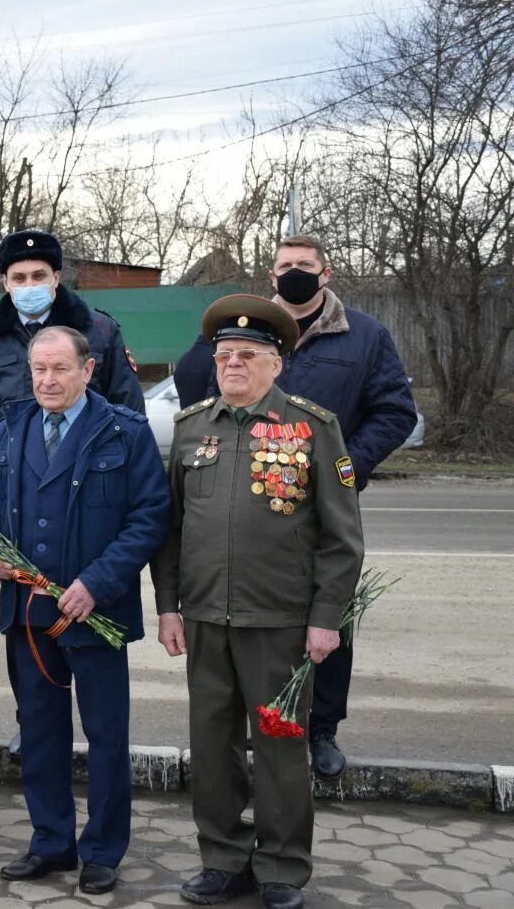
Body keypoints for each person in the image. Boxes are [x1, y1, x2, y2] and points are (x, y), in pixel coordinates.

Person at [171, 236, 415, 778]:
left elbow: (396, 410)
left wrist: (344, 467)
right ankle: (264, 724)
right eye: (286, 267)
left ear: (326, 274)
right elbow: (194, 377)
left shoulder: (364, 335)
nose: (295, 273)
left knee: (329, 615)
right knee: (260, 622)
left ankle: (321, 726)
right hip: (253, 488)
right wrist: (232, 345)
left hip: (323, 496)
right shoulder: (249, 328)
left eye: (306, 266)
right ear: (271, 275)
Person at [153, 295, 364, 909]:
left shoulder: (312, 428)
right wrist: (168, 606)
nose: (233, 365)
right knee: (213, 745)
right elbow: (169, 530)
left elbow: (342, 538)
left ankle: (280, 869)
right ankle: (223, 859)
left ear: (277, 364)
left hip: (279, 621)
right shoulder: (193, 428)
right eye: (224, 355)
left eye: (248, 355)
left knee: (279, 748)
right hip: (203, 619)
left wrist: (327, 620)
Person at [0, 326, 171, 897]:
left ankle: (103, 850)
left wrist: (97, 582)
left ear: (87, 371)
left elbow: (150, 518)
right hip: (29, 617)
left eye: (60, 368)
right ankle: (51, 842)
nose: (48, 379)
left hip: (95, 614)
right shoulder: (10, 429)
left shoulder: (124, 431)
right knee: (39, 732)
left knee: (106, 736)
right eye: (39, 369)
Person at [0, 228, 145, 754]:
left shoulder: (98, 330)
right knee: (28, 627)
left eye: (39, 276)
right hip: (13, 497)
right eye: (18, 277)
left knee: (88, 637)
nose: (29, 284)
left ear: (56, 279)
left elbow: (129, 412)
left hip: (87, 499)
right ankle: (28, 719)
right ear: (4, 283)